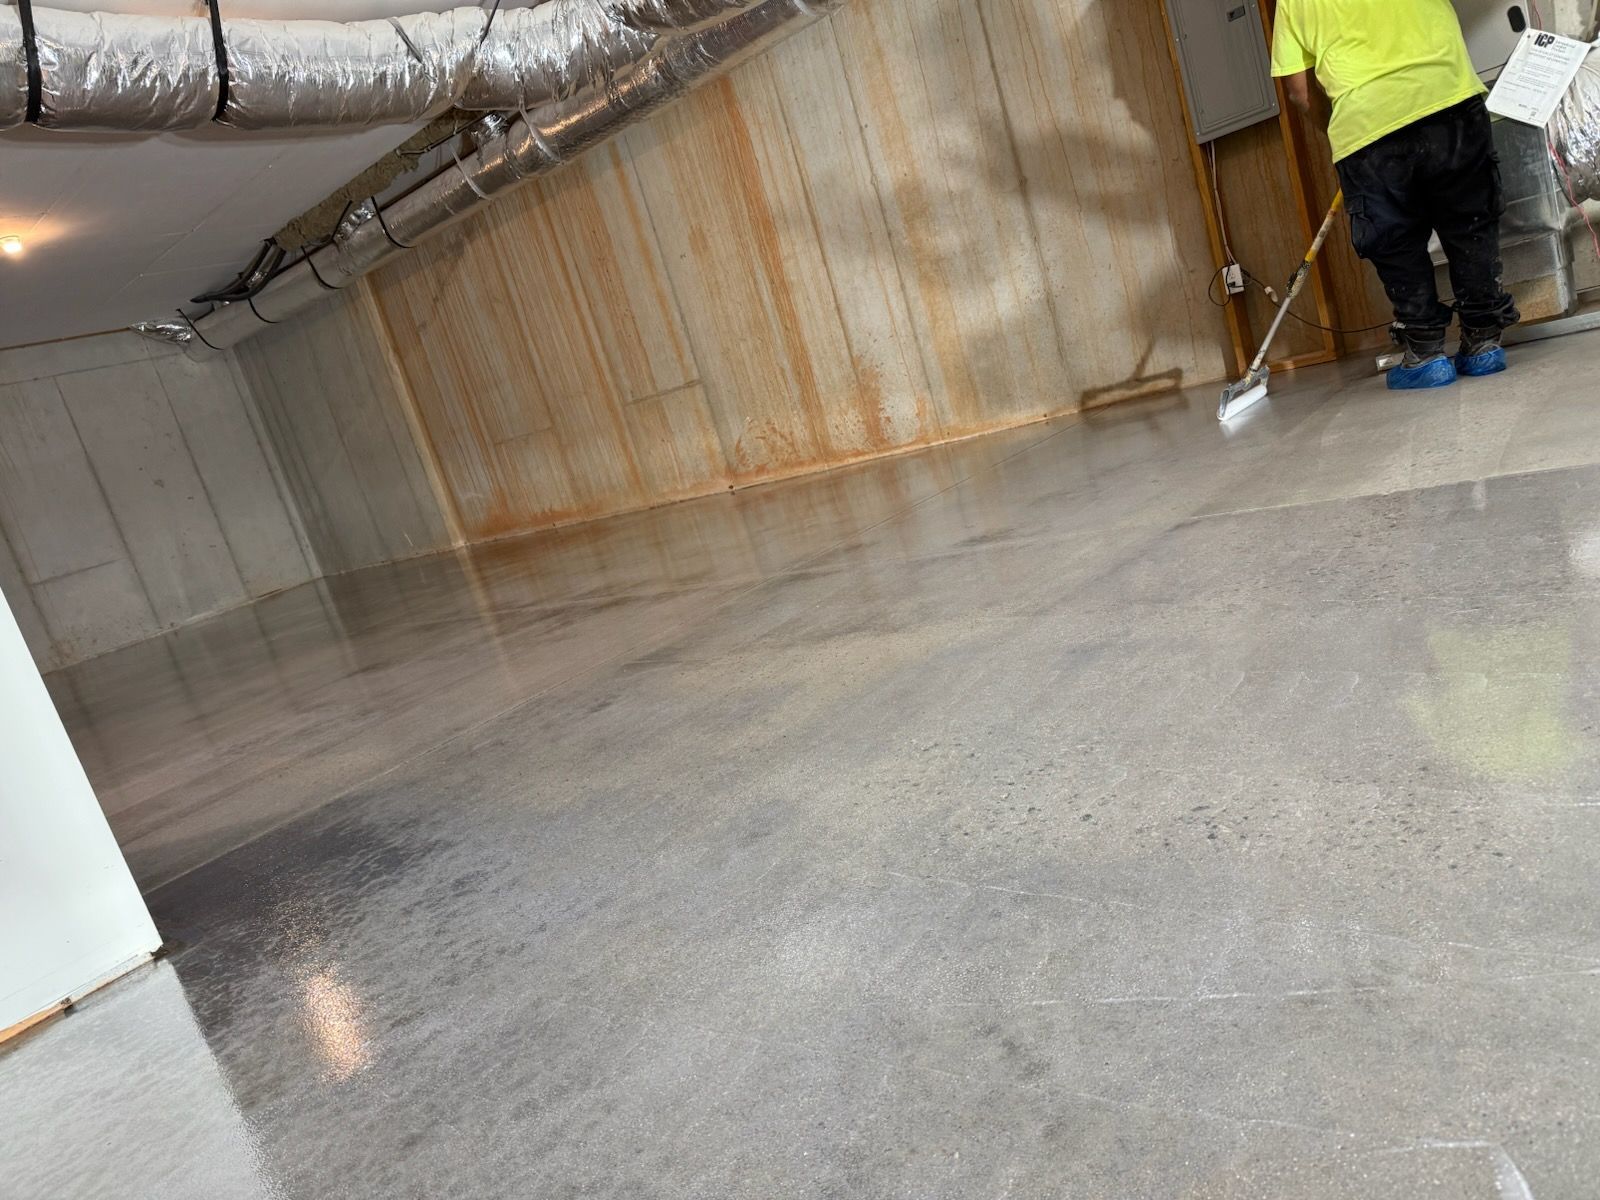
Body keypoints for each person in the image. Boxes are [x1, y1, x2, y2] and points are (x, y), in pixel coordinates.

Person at [1272, 0, 1519, 389]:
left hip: (1367, 127)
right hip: (1449, 101)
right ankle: (1484, 341)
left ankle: (1425, 354)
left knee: (1396, 242)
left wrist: (1341, 135)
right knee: (1469, 224)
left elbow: (1299, 92)